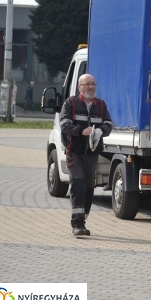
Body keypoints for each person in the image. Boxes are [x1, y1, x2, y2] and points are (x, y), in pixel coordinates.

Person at [60, 74, 114, 237]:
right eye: (87, 84)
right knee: (78, 183)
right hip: (74, 152)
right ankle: (77, 224)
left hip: (92, 154)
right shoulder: (71, 103)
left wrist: (100, 131)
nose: (91, 87)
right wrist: (80, 131)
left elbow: (109, 124)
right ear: (79, 87)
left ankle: (83, 218)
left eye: (93, 84)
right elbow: (63, 124)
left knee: (90, 187)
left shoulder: (101, 105)